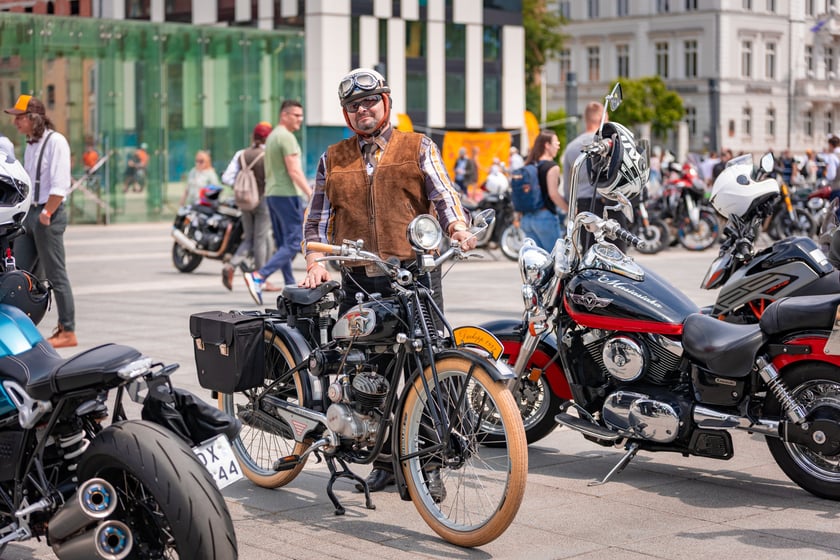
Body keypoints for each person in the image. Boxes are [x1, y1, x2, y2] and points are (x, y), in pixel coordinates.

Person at [300, 67, 475, 494]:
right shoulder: (332, 158)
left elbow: (444, 194)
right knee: (368, 374)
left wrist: (457, 228)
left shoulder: (417, 146)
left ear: (387, 103)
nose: (363, 111)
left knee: (427, 367)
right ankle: (382, 460)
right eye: (354, 106)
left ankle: (429, 465)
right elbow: (316, 221)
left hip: (414, 277)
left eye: (370, 102)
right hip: (359, 281)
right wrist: (314, 261)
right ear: (346, 114)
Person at [5, 94, 77, 348]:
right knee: (19, 273)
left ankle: (67, 330)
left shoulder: (56, 142)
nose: (16, 123)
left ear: (33, 118)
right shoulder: (32, 144)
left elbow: (60, 185)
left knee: (56, 274)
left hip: (49, 213)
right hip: (32, 213)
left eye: (19, 118)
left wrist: (46, 214)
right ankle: (18, 326)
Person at [243, 100, 312, 304]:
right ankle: (259, 276)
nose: (300, 119)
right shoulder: (286, 137)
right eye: (296, 115)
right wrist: (310, 193)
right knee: (294, 241)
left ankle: (290, 284)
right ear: (285, 115)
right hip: (287, 194)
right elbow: (294, 171)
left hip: (272, 194)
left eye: (301, 115)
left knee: (283, 242)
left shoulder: (273, 136)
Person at [562, 101, 629, 252]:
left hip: (584, 208)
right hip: (611, 205)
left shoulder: (572, 147)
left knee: (590, 255)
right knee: (618, 257)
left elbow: (568, 186)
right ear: (602, 118)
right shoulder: (612, 144)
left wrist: (573, 208)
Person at [220, 122, 273, 291]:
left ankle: (231, 265)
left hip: (244, 201)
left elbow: (226, 178)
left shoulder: (241, 154)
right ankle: (260, 279)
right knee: (260, 239)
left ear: (253, 137)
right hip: (263, 201)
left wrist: (244, 187)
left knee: (249, 237)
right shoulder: (269, 155)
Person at [519, 129, 567, 251]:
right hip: (545, 218)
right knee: (556, 259)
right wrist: (570, 210)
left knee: (538, 263)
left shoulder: (528, 165)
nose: (558, 146)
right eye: (556, 143)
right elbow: (553, 194)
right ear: (547, 145)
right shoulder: (552, 167)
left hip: (527, 219)